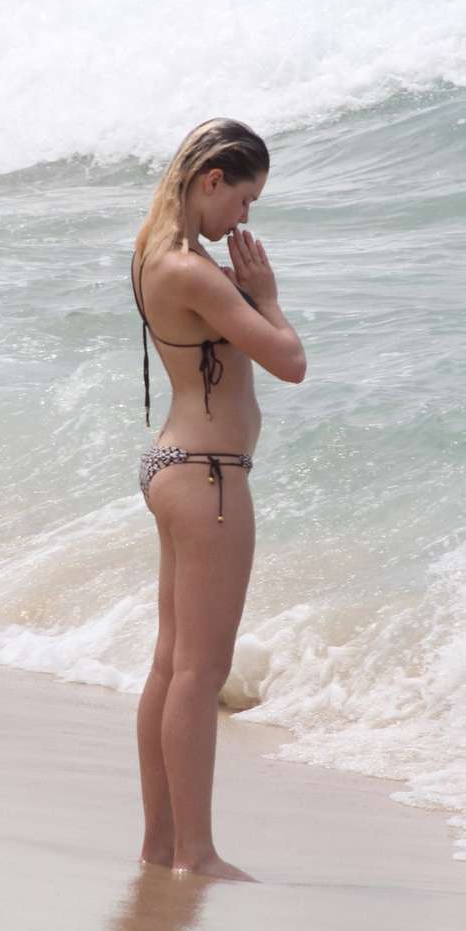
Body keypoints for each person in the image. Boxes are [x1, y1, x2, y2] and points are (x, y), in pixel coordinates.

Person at [131, 118, 306, 882]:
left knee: (173, 668)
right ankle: (194, 853)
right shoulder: (194, 272)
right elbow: (289, 361)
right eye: (244, 199)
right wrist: (267, 295)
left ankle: (162, 844)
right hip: (209, 477)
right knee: (199, 673)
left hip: (177, 464)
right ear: (211, 181)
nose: (245, 219)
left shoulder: (153, 254)